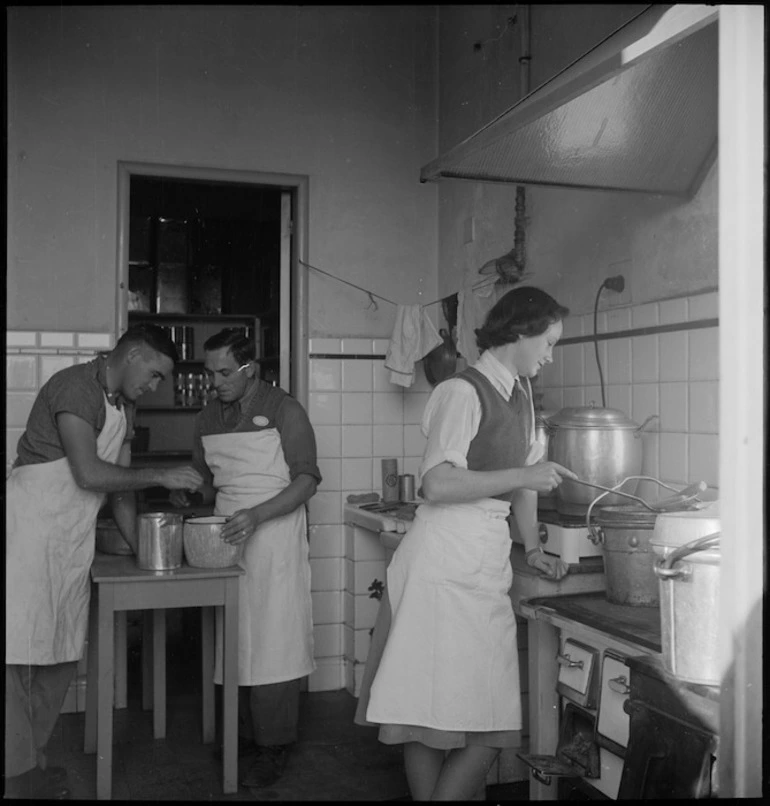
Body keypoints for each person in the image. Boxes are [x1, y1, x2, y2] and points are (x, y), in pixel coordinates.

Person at [360, 286, 577, 801]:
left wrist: (536, 548)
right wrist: (524, 472)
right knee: (427, 706)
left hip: (481, 556)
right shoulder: (462, 392)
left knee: (483, 708)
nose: (549, 354)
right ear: (519, 334)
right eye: (547, 342)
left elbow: (520, 485)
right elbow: (436, 482)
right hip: (443, 559)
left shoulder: (520, 394)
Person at [5, 323, 204, 800]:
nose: (155, 387)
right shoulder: (76, 386)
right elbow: (91, 472)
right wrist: (161, 473)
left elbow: (120, 490)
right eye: (154, 374)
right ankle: (17, 778)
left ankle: (29, 764)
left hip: (71, 538)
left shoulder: (125, 407)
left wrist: (145, 554)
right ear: (133, 353)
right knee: (18, 659)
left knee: (57, 657)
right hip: (30, 534)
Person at [169, 328, 321, 789]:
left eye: (222, 372)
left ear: (249, 368)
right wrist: (188, 491)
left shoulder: (285, 410)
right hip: (226, 534)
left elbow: (308, 479)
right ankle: (238, 736)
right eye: (208, 371)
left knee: (273, 639)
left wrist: (257, 515)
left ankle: (273, 746)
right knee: (232, 637)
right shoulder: (207, 417)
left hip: (274, 530)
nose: (213, 381)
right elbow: (209, 477)